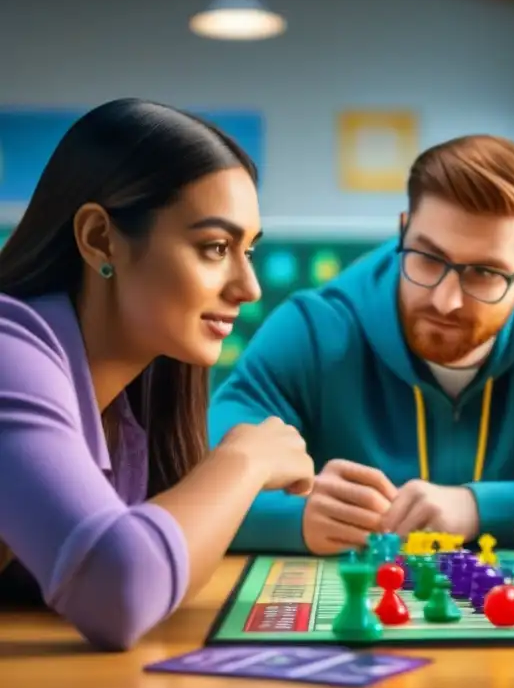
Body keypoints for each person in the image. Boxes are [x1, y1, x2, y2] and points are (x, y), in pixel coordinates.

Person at [209, 134, 514, 554]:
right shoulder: (313, 329)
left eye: (485, 272)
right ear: (402, 232)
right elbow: (192, 479)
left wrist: (476, 508)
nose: (445, 300)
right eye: (429, 258)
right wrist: (299, 519)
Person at [0, 98, 315, 651]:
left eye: (249, 251)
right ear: (101, 239)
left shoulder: (133, 407)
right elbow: (118, 588)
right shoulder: (8, 352)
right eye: (215, 248)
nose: (249, 288)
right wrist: (245, 460)